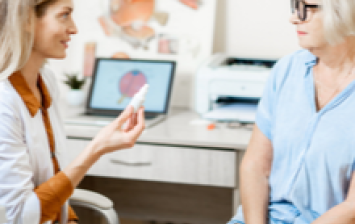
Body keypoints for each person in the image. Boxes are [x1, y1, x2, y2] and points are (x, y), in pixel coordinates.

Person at [0, 0, 145, 223]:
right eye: (64, 15)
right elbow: (20, 217)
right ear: (26, 19)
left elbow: (50, 183)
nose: (74, 28)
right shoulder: (4, 100)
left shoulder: (45, 81)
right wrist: (96, 149)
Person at [228, 0, 355, 223]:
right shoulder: (287, 70)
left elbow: (352, 207)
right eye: (295, 7)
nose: (294, 18)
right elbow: (255, 167)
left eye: (308, 8)